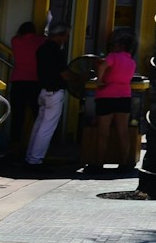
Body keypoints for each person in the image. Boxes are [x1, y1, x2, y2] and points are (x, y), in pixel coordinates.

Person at [84, 29, 137, 176]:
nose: (112, 46)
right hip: (124, 96)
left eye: (115, 44)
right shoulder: (132, 61)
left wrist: (100, 81)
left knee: (103, 133)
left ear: (120, 45)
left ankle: (99, 163)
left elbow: (103, 66)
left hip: (106, 96)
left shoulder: (112, 56)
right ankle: (124, 163)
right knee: (123, 132)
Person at [26, 21, 71, 166]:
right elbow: (64, 74)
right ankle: (36, 160)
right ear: (60, 36)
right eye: (66, 36)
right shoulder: (57, 51)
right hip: (54, 92)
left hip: (43, 90)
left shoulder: (42, 49)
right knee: (47, 128)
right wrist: (79, 77)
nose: (66, 39)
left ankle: (30, 157)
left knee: (39, 125)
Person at [8, 20, 44, 159]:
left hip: (18, 82)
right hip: (35, 82)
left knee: (17, 117)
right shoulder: (41, 41)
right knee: (38, 116)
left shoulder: (15, 41)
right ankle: (36, 149)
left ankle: (15, 149)